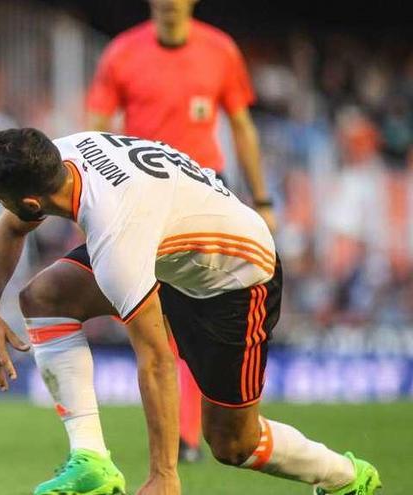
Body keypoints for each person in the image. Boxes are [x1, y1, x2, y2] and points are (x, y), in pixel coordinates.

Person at [0, 127, 381, 495]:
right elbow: (13, 224)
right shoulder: (60, 156)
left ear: (30, 201)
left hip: (235, 280)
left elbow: (157, 361)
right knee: (46, 297)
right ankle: (91, 462)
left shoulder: (116, 234)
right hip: (170, 250)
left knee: (234, 444)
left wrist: (164, 475)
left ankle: (346, 478)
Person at [87, 0, 275, 470]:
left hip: (204, 196)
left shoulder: (220, 50)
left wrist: (263, 198)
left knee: (197, 322)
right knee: (160, 322)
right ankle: (183, 435)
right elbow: (96, 127)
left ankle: (193, 432)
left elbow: (242, 126)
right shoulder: (121, 54)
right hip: (141, 197)